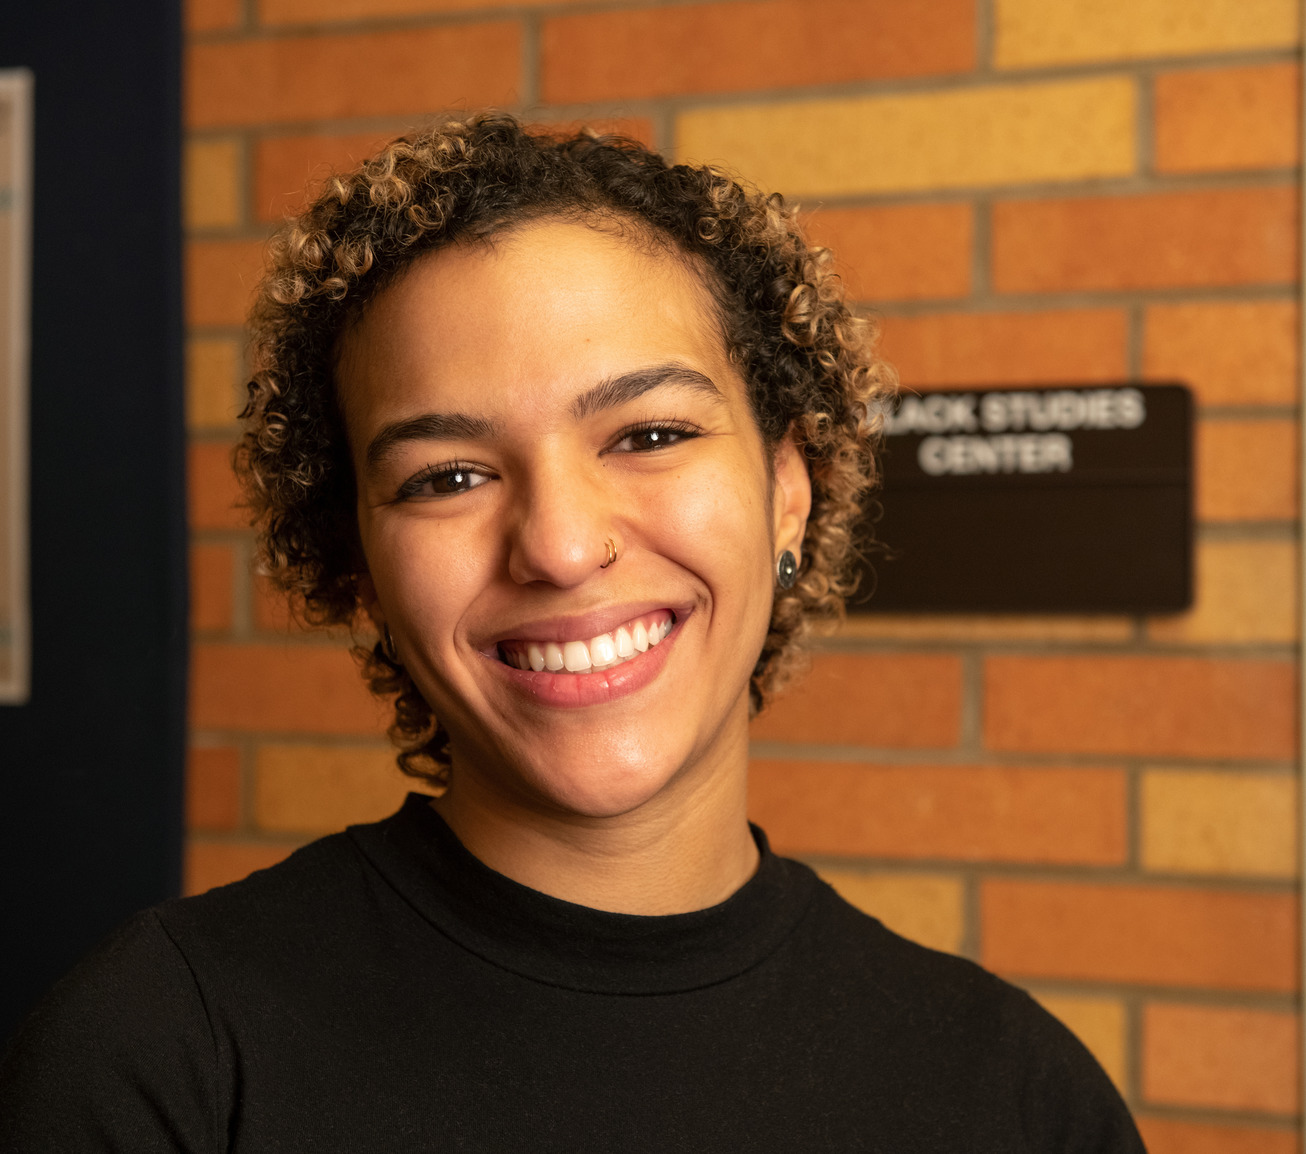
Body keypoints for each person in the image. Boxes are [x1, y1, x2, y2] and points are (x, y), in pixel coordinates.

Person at [0, 114, 1144, 1151]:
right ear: (356, 568)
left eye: (647, 434)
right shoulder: (164, 1059)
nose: (556, 543)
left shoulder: (1016, 1095)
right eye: (447, 474)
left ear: (788, 488)